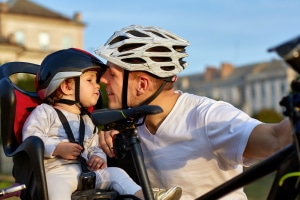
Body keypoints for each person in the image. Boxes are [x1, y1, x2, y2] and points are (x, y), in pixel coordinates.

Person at [94, 25, 293, 199]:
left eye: (112, 74)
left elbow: (276, 139)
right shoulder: (133, 124)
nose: (102, 80)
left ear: (142, 84)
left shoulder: (207, 117)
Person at [22, 48, 182, 200]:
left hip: (85, 173)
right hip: (56, 172)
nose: (98, 85)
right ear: (67, 86)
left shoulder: (87, 120)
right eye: (90, 80)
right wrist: (57, 148)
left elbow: (94, 147)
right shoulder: (45, 112)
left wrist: (98, 158)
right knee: (56, 189)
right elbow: (31, 138)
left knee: (116, 173)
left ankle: (147, 195)